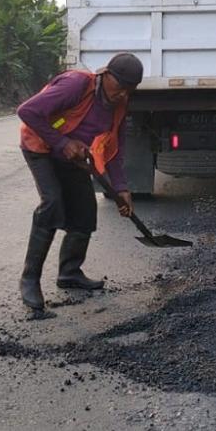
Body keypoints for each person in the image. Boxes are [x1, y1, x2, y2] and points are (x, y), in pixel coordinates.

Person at [16, 53, 144, 313]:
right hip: (41, 148)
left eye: (129, 90)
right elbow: (27, 111)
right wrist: (63, 142)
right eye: (119, 86)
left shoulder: (120, 104)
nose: (122, 94)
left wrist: (121, 189)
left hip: (74, 158)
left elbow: (115, 150)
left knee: (85, 210)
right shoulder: (76, 85)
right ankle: (29, 279)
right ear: (105, 75)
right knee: (52, 204)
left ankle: (70, 272)